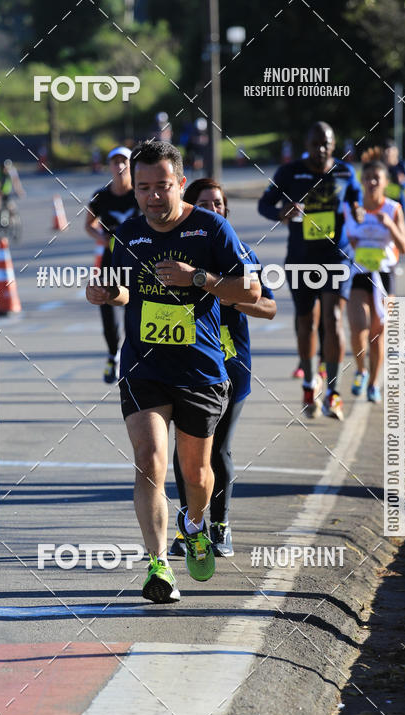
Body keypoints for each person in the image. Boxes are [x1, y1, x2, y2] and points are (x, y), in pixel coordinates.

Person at [86, 140, 260, 603]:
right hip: (144, 366)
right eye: (143, 188)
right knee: (148, 463)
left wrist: (198, 278)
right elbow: (122, 290)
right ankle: (159, 565)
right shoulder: (127, 232)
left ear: (180, 183)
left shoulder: (212, 229)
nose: (152, 197)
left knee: (196, 472)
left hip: (200, 369)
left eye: (162, 186)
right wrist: (105, 294)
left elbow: (251, 289)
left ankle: (197, 524)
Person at [169, 179, 276, 558]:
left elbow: (269, 305)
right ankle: (188, 528)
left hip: (232, 366)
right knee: (187, 453)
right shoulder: (178, 251)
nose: (213, 210)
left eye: (218, 204)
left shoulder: (241, 252)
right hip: (189, 364)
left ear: (226, 210)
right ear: (189, 207)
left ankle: (221, 525)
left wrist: (231, 297)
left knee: (218, 452)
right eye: (204, 204)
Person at [258, 121, 363, 421]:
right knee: (306, 322)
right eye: (315, 143)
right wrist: (281, 213)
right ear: (306, 145)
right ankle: (308, 384)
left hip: (336, 256)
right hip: (301, 259)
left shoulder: (345, 172)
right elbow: (264, 204)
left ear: (333, 145)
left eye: (326, 144)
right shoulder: (289, 172)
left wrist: (357, 209)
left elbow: (356, 199)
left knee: (334, 318)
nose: (320, 149)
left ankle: (333, 392)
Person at [344, 154, 405, 403]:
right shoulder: (353, 210)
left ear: (385, 182)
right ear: (361, 180)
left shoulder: (393, 209)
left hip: (384, 274)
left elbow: (404, 247)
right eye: (367, 177)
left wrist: (390, 226)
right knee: (358, 327)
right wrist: (350, 243)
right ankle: (361, 370)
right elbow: (340, 241)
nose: (371, 182)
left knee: (377, 333)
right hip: (359, 273)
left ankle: (373, 383)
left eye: (376, 178)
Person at [85, 146, 139, 383]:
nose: (119, 166)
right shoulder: (101, 196)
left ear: (131, 165)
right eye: (115, 162)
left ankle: (135, 355)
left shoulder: (140, 191)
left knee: (135, 304)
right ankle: (112, 353)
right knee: (105, 301)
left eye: (123, 161)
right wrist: (101, 237)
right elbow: (89, 224)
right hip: (112, 259)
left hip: (139, 259)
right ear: (109, 166)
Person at [383, 140, 405, 213]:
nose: (388, 153)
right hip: (384, 202)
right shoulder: (380, 166)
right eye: (386, 151)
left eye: (390, 151)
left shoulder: (401, 165)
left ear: (396, 151)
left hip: (399, 202)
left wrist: (402, 182)